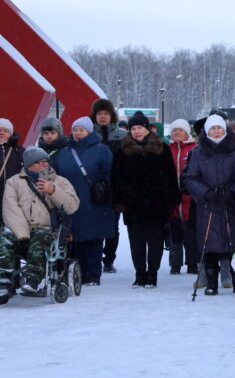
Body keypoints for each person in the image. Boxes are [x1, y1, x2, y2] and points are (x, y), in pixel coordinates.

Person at [0, 147, 80, 302]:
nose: (45, 165)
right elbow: (10, 209)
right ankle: (3, 282)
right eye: (40, 162)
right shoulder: (13, 182)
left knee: (41, 238)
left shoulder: (60, 181)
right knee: (4, 238)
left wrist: (53, 190)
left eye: (46, 161)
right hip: (20, 230)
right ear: (29, 165)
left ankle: (33, 280)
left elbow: (72, 206)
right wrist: (23, 234)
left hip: (47, 230)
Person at [111, 112, 180, 288]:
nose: (136, 131)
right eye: (133, 128)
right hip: (133, 205)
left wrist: (172, 198)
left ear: (147, 129)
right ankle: (140, 274)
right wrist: (119, 200)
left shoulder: (161, 149)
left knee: (156, 242)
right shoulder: (122, 150)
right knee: (137, 243)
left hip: (157, 204)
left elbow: (171, 175)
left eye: (140, 127)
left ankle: (152, 274)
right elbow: (116, 178)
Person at [51, 117, 116, 286]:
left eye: (82, 129)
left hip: (93, 201)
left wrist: (107, 193)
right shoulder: (63, 152)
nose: (78, 133)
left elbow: (111, 175)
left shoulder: (102, 150)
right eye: (75, 129)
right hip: (69, 200)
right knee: (73, 238)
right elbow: (55, 175)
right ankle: (77, 272)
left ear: (89, 131)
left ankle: (93, 274)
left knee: (93, 239)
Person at [183, 114, 235, 296]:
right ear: (207, 131)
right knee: (208, 244)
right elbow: (190, 178)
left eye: (219, 128)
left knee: (233, 244)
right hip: (207, 206)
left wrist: (231, 191)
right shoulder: (198, 152)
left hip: (230, 205)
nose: (216, 132)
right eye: (213, 129)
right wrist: (205, 192)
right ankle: (211, 283)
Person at [91, 99, 126, 274]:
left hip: (115, 186)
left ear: (111, 115)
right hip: (94, 187)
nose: (103, 116)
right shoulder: (89, 135)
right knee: (95, 224)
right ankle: (94, 258)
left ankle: (109, 259)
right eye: (99, 113)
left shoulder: (122, 136)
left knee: (113, 226)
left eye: (106, 113)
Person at [167, 119, 199, 275]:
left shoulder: (194, 148)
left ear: (187, 133)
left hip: (189, 197)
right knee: (174, 233)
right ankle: (175, 263)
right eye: (174, 131)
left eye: (180, 130)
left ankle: (192, 262)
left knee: (190, 232)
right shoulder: (167, 149)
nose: (177, 133)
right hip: (173, 197)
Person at [0, 119, 26, 231]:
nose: (1, 132)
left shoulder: (20, 151)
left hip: (14, 199)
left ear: (10, 134)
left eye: (5, 130)